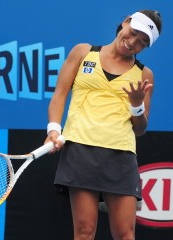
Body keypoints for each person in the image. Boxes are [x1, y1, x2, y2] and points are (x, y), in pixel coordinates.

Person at [45, 10, 162, 240]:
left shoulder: (144, 74)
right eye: (134, 33)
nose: (133, 43)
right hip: (80, 150)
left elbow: (140, 128)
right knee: (85, 232)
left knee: (125, 234)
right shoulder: (83, 52)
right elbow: (60, 94)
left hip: (120, 156)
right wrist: (53, 129)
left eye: (142, 43)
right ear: (126, 22)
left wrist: (136, 106)